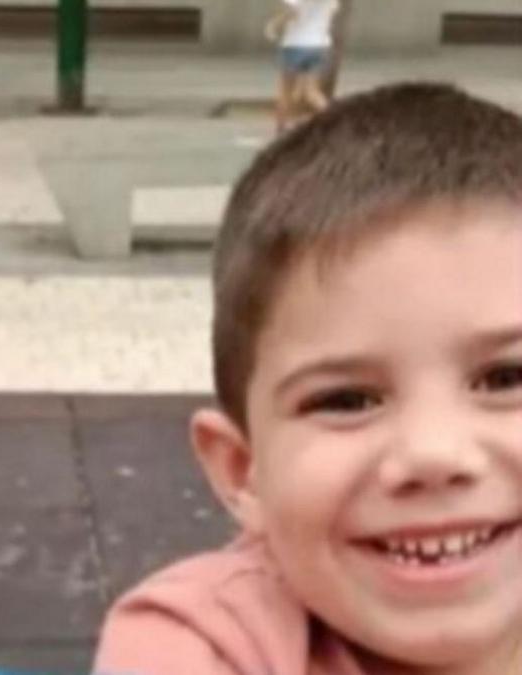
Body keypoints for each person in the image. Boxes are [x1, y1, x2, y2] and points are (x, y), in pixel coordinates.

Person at [92, 82, 522, 674]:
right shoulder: (206, 641)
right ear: (243, 471)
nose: (434, 453)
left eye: (506, 378)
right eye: (347, 399)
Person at [266, 0, 341, 133]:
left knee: (285, 91)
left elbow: (293, 12)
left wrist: (274, 25)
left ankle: (281, 129)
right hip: (320, 45)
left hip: (296, 44)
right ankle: (337, 119)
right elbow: (332, 14)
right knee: (311, 92)